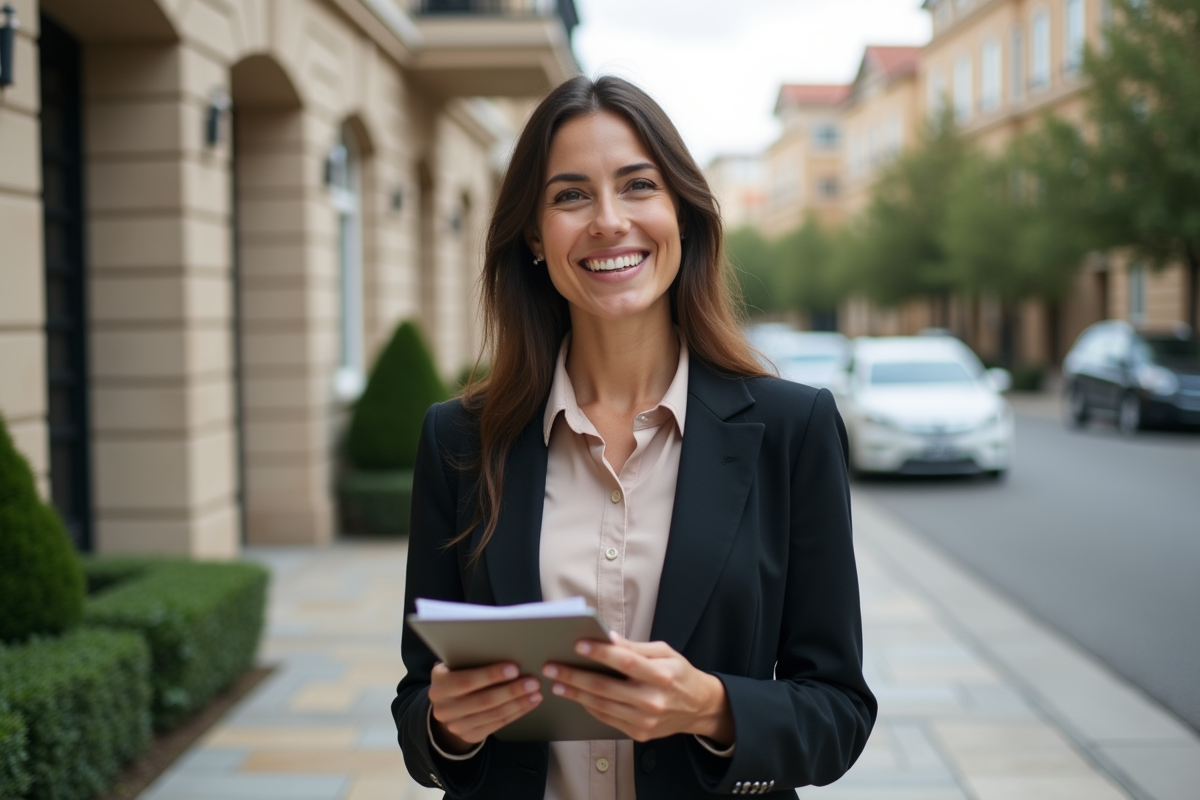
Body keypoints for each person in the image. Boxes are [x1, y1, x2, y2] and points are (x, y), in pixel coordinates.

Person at [392, 75, 876, 799]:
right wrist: (448, 727)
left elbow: (838, 714)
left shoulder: (792, 429)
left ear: (681, 213)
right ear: (534, 236)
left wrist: (711, 708)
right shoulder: (458, 439)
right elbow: (416, 709)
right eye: (570, 195)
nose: (609, 221)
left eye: (638, 185)